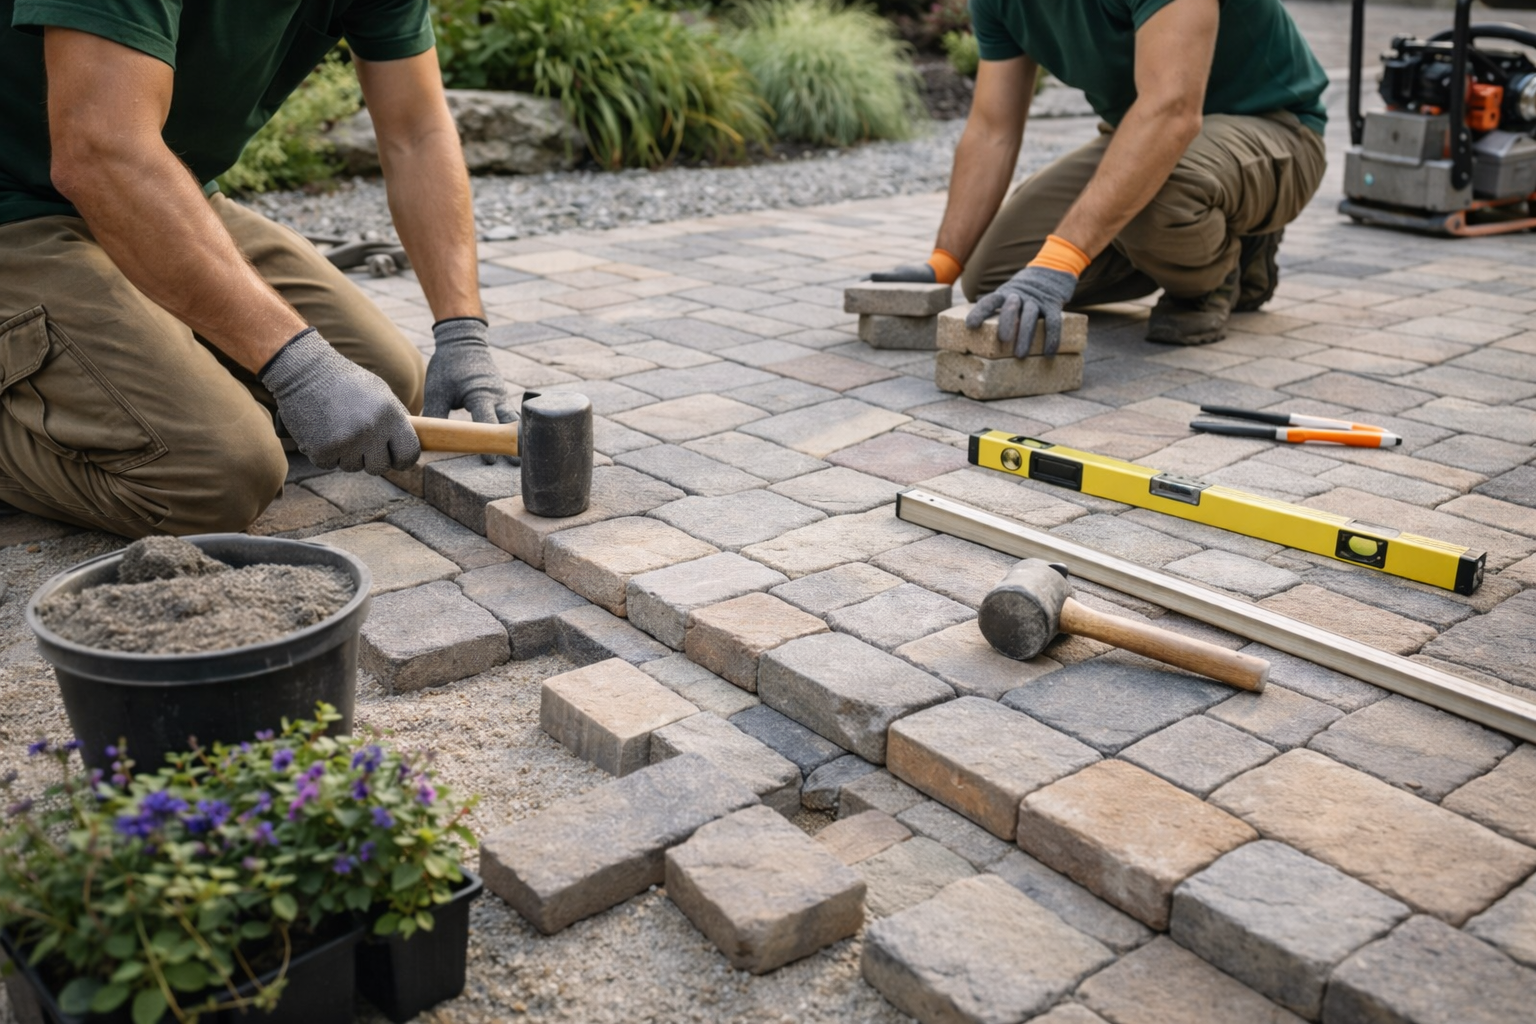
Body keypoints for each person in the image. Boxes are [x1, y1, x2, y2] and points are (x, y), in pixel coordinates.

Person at [0, 0, 515, 538]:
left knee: (386, 389)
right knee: (217, 477)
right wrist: (300, 366)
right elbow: (98, 151)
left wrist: (462, 332)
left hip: (155, 188)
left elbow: (417, 133)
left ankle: (138, 381)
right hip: (25, 202)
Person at [873, 0, 1328, 352]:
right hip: (1138, 132)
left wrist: (1062, 262)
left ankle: (1228, 266)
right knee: (995, 280)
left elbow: (1172, 111)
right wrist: (943, 265)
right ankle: (1171, 242)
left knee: (1161, 195)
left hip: (1274, 127)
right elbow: (993, 130)